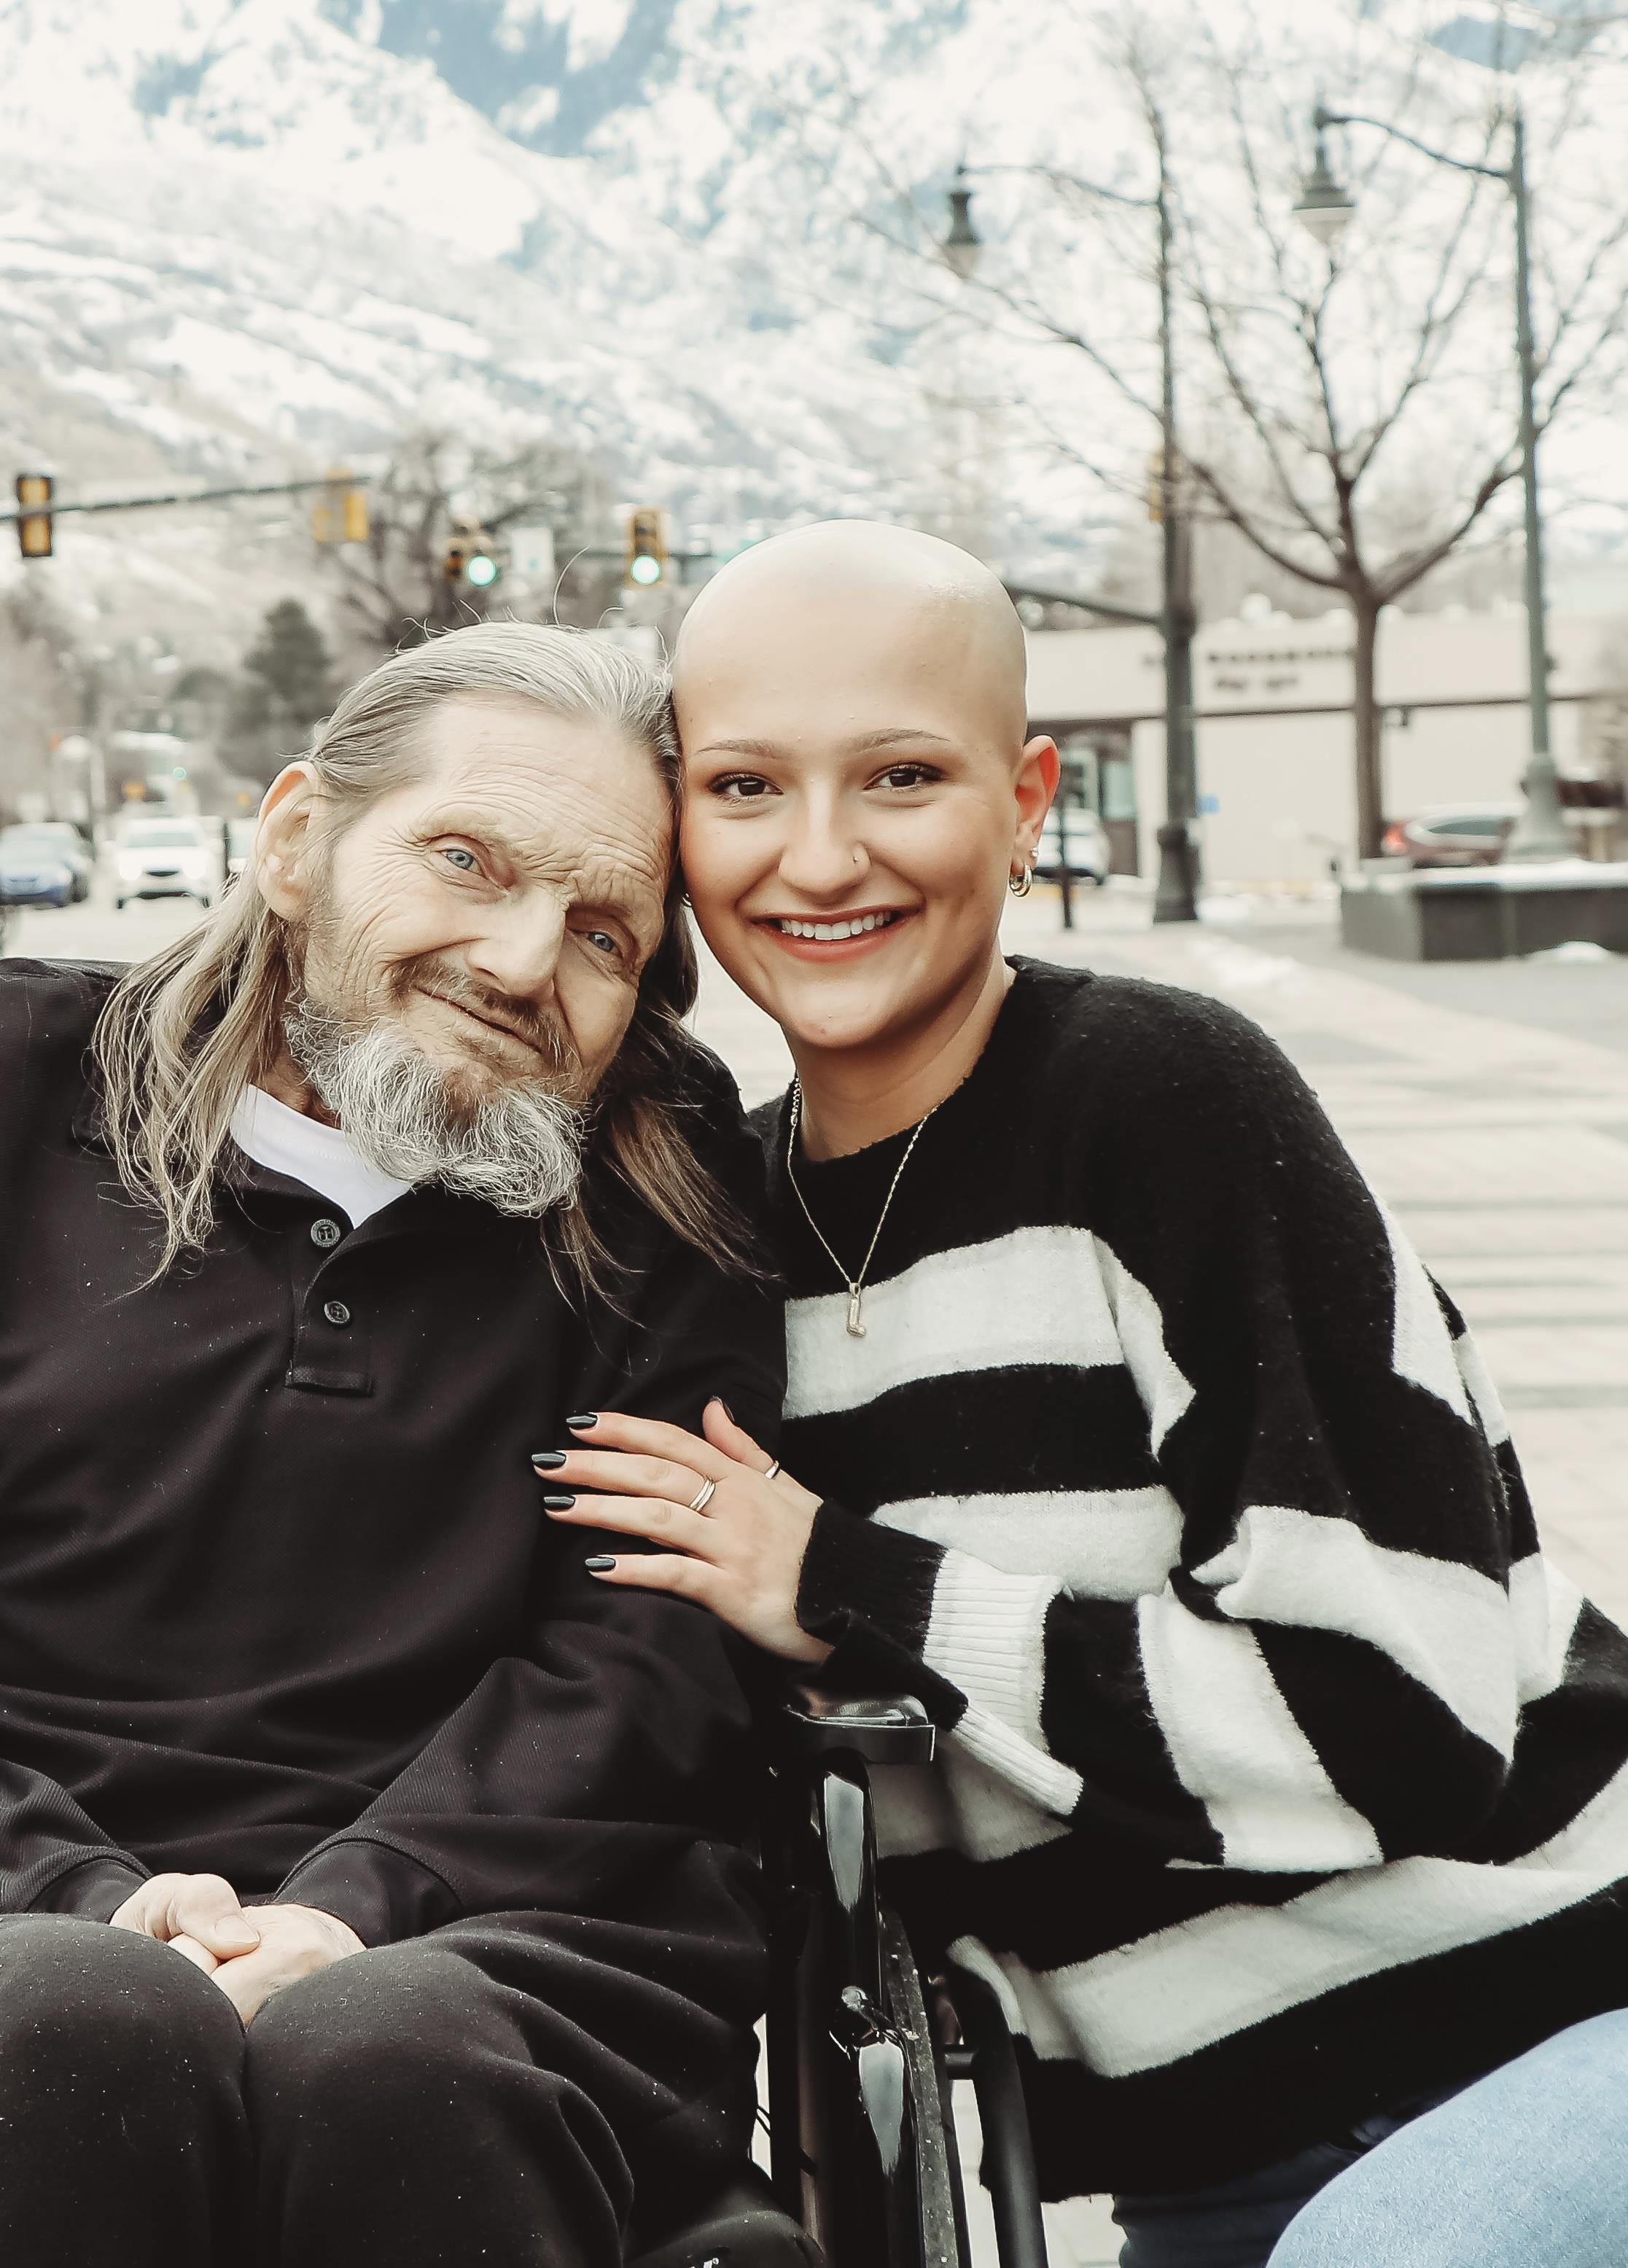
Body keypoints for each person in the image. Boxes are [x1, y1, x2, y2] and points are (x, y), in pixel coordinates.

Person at [544, 521, 1628, 2268]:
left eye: (902, 773)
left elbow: (1402, 1723)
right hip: (1218, 2178)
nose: (819, 855)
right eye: (744, 786)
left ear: (1028, 793)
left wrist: (849, 1581)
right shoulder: (710, 1243)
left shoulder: (1160, 1103)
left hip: (1551, 2026)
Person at [0, 624, 782, 2268]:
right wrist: (94, 1903)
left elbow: (635, 1667)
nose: (527, 958)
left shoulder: (654, 1200)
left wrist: (357, 1905)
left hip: (501, 1949)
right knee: (80, 2025)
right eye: (465, 858)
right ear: (295, 838)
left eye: (605, 929)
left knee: (391, 2051)